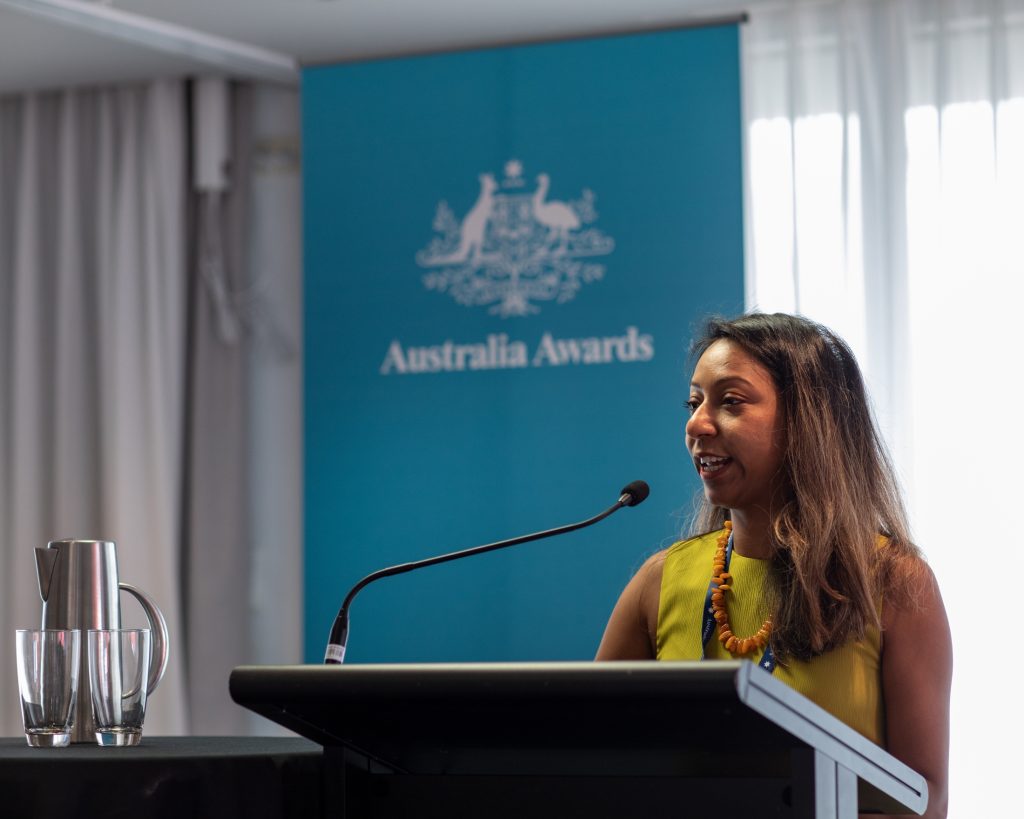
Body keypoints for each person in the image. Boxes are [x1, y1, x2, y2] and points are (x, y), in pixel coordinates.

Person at [596, 313, 951, 819]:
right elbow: (585, 762)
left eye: (731, 402)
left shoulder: (894, 581)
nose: (696, 424)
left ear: (807, 422)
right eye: (694, 403)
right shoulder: (659, 581)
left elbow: (925, 803)